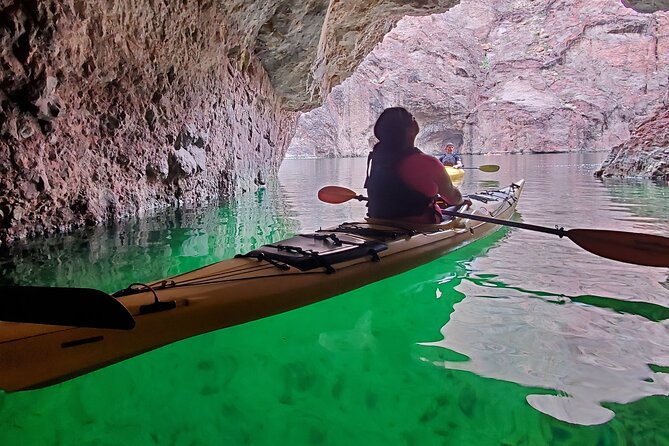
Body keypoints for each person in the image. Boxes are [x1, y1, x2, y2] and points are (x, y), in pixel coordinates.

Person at [364, 107, 470, 224]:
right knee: (461, 208)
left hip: (378, 222)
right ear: (409, 130)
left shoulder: (376, 158)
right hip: (420, 226)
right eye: (412, 118)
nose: (415, 120)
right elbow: (454, 198)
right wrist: (462, 200)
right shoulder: (428, 163)